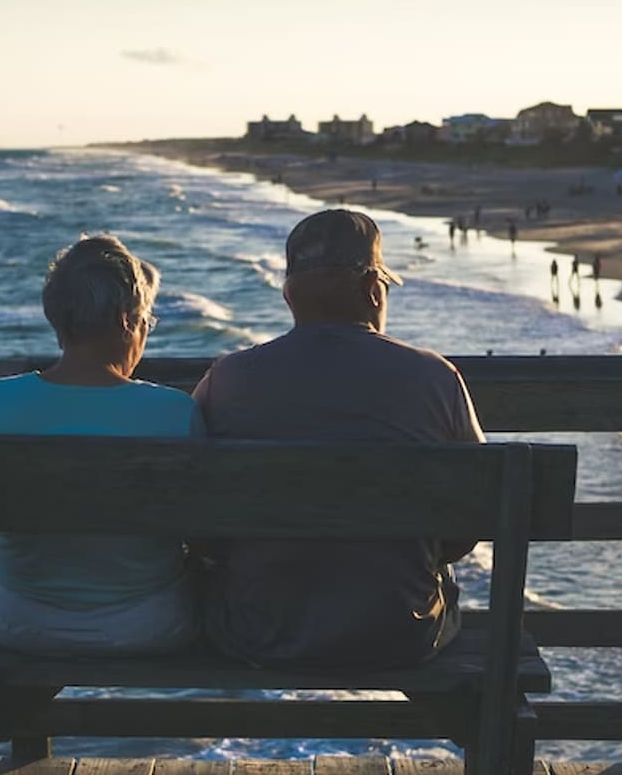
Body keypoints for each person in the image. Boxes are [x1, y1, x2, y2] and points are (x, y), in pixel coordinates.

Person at [192, 209, 484, 668]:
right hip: (400, 633)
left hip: (258, 633)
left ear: (289, 297)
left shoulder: (226, 379)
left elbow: (195, 518)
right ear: (373, 290)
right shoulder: (435, 377)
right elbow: (474, 515)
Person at [0, 234, 200, 655]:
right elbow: (203, 530)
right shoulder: (174, 412)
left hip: (20, 622)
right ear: (127, 319)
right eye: (147, 321)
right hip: (145, 625)